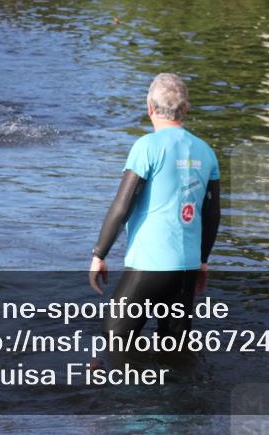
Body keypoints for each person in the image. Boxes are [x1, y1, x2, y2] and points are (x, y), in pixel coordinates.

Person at [88, 73, 221, 340]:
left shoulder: (146, 147)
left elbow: (122, 205)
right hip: (187, 268)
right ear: (185, 109)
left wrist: (99, 254)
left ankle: (129, 383)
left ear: (149, 107)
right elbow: (212, 214)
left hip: (149, 266)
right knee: (174, 349)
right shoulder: (206, 151)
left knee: (113, 342)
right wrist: (203, 262)